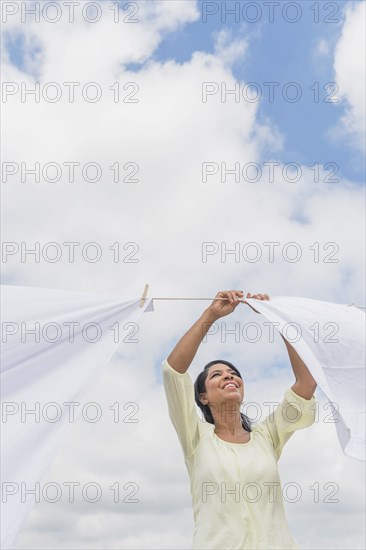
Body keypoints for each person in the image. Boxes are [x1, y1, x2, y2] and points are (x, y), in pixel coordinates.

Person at [162, 290, 317, 550]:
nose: (228, 376)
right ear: (203, 397)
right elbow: (172, 371)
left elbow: (306, 384)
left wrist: (277, 320)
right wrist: (211, 315)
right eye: (217, 375)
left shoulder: (266, 436)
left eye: (233, 373)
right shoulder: (196, 437)